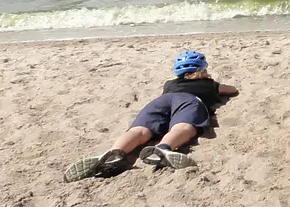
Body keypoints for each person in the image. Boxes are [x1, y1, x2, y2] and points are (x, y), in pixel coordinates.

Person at [63, 50, 238, 182]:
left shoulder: (169, 84)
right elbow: (232, 90)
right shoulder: (208, 84)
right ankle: (164, 147)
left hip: (161, 101)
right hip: (189, 101)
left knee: (140, 130)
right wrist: (214, 84)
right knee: (183, 126)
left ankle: (115, 151)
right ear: (202, 70)